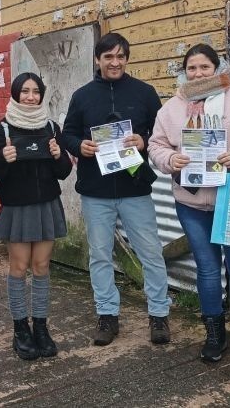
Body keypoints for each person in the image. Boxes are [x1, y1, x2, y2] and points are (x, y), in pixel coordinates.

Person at [148, 44, 230, 363]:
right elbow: (156, 145)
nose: (198, 73)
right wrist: (170, 158)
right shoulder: (172, 108)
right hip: (192, 203)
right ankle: (214, 333)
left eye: (205, 67)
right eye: (192, 68)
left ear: (218, 69)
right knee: (206, 269)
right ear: (184, 71)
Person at [62, 32, 171, 346]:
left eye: (120, 56)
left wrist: (145, 140)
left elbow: (160, 133)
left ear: (127, 58)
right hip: (95, 190)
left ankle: (159, 315)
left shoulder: (145, 93)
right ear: (98, 59)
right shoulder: (82, 96)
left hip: (135, 186)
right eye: (108, 56)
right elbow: (68, 133)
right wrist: (78, 145)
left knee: (151, 253)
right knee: (99, 255)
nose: (114, 62)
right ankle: (107, 315)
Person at [0, 72, 73, 360]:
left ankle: (42, 328)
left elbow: (63, 172)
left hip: (46, 204)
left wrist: (59, 155)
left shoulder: (51, 127)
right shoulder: (3, 130)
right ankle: (21, 329)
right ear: (15, 94)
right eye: (25, 91)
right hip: (17, 206)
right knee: (19, 267)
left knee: (42, 266)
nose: (30, 96)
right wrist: (2, 159)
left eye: (36, 91)